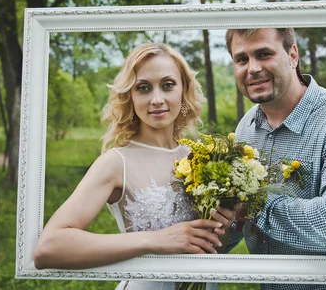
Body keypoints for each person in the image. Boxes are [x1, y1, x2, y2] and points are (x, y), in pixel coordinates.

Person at [34, 43, 226, 290]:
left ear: (183, 90)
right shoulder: (116, 162)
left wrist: (225, 221)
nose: (157, 99)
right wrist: (154, 240)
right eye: (143, 88)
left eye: (168, 85)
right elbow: (49, 247)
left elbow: (212, 243)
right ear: (130, 97)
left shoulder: (201, 157)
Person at [211, 28, 326, 290]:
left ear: (293, 55)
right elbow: (236, 218)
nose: (252, 69)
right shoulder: (246, 127)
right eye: (241, 59)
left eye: (264, 54)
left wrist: (255, 206)